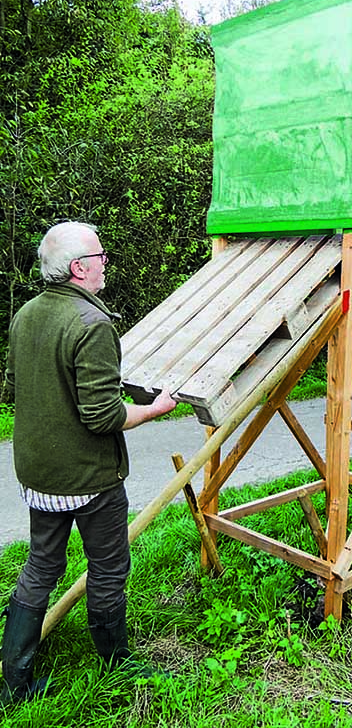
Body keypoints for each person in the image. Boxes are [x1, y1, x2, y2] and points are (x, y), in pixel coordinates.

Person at [2, 221, 177, 703]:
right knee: (107, 568)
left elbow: (27, 383)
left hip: (39, 474)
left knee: (41, 566)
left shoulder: (26, 315)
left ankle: (13, 683)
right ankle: (118, 663)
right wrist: (154, 409)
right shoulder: (92, 324)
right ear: (80, 267)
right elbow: (102, 418)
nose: (105, 262)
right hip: (88, 480)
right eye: (100, 255)